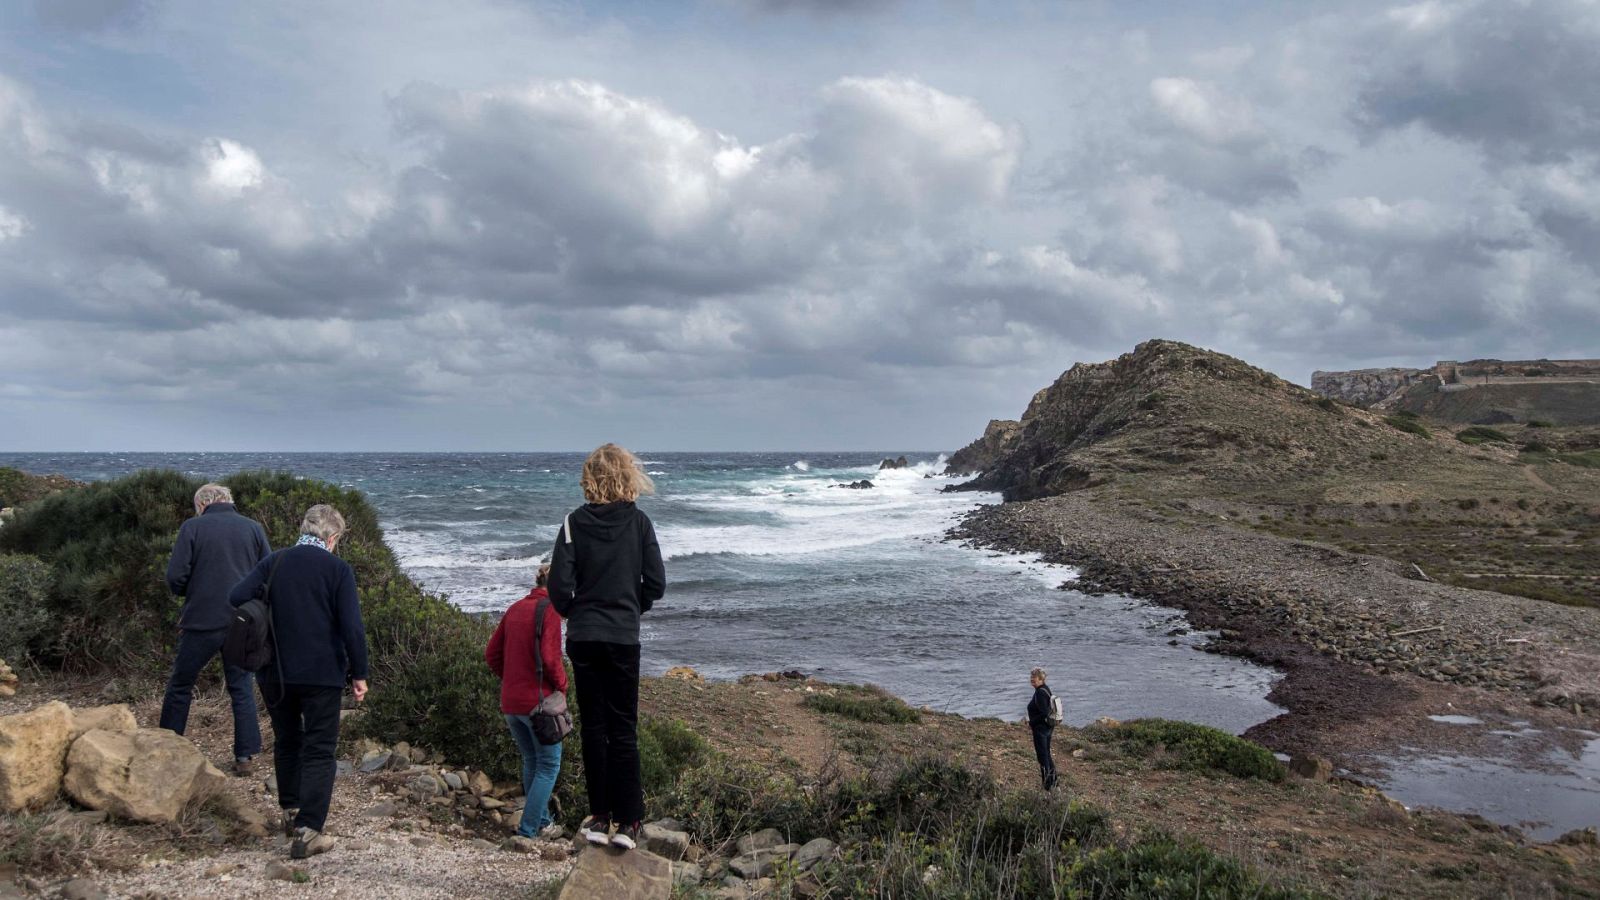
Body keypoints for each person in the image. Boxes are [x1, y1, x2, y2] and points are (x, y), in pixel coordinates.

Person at [230, 504, 369, 860]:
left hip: (275, 671)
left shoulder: (275, 561)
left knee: (287, 741)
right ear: (333, 537)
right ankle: (309, 832)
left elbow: (235, 597)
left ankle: (291, 813)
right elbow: (352, 627)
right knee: (320, 749)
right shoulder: (337, 569)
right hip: (321, 673)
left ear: (304, 528)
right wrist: (359, 673)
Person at [549, 443, 666, 851]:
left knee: (594, 728)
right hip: (621, 637)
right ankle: (630, 822)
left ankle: (599, 816)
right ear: (628, 476)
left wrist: (575, 610)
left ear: (590, 479)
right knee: (623, 729)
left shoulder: (571, 524)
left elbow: (559, 588)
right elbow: (656, 583)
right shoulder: (640, 525)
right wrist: (634, 606)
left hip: (583, 636)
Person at [161, 483, 272, 776]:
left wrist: (191, 590)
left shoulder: (193, 527)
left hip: (202, 620)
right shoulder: (253, 528)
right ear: (229, 501)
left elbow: (175, 576)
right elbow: (267, 572)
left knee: (181, 685)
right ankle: (245, 756)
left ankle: (168, 745)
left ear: (202, 505)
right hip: (243, 621)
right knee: (241, 687)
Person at [486, 564, 567, 840]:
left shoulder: (515, 608)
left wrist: (511, 680)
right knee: (548, 765)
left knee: (532, 760)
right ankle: (529, 830)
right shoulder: (551, 611)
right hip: (539, 704)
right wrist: (563, 686)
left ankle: (542, 821)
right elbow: (551, 658)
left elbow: (491, 654)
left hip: (511, 703)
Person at [1026, 667, 1058, 791]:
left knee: (1042, 757)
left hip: (1041, 729)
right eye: (1031, 679)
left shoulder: (1040, 692)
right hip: (1048, 728)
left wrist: (1031, 722)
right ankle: (1054, 782)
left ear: (1041, 679)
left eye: (1034, 679)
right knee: (1047, 755)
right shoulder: (1045, 689)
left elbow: (1044, 712)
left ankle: (1048, 786)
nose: (1032, 681)